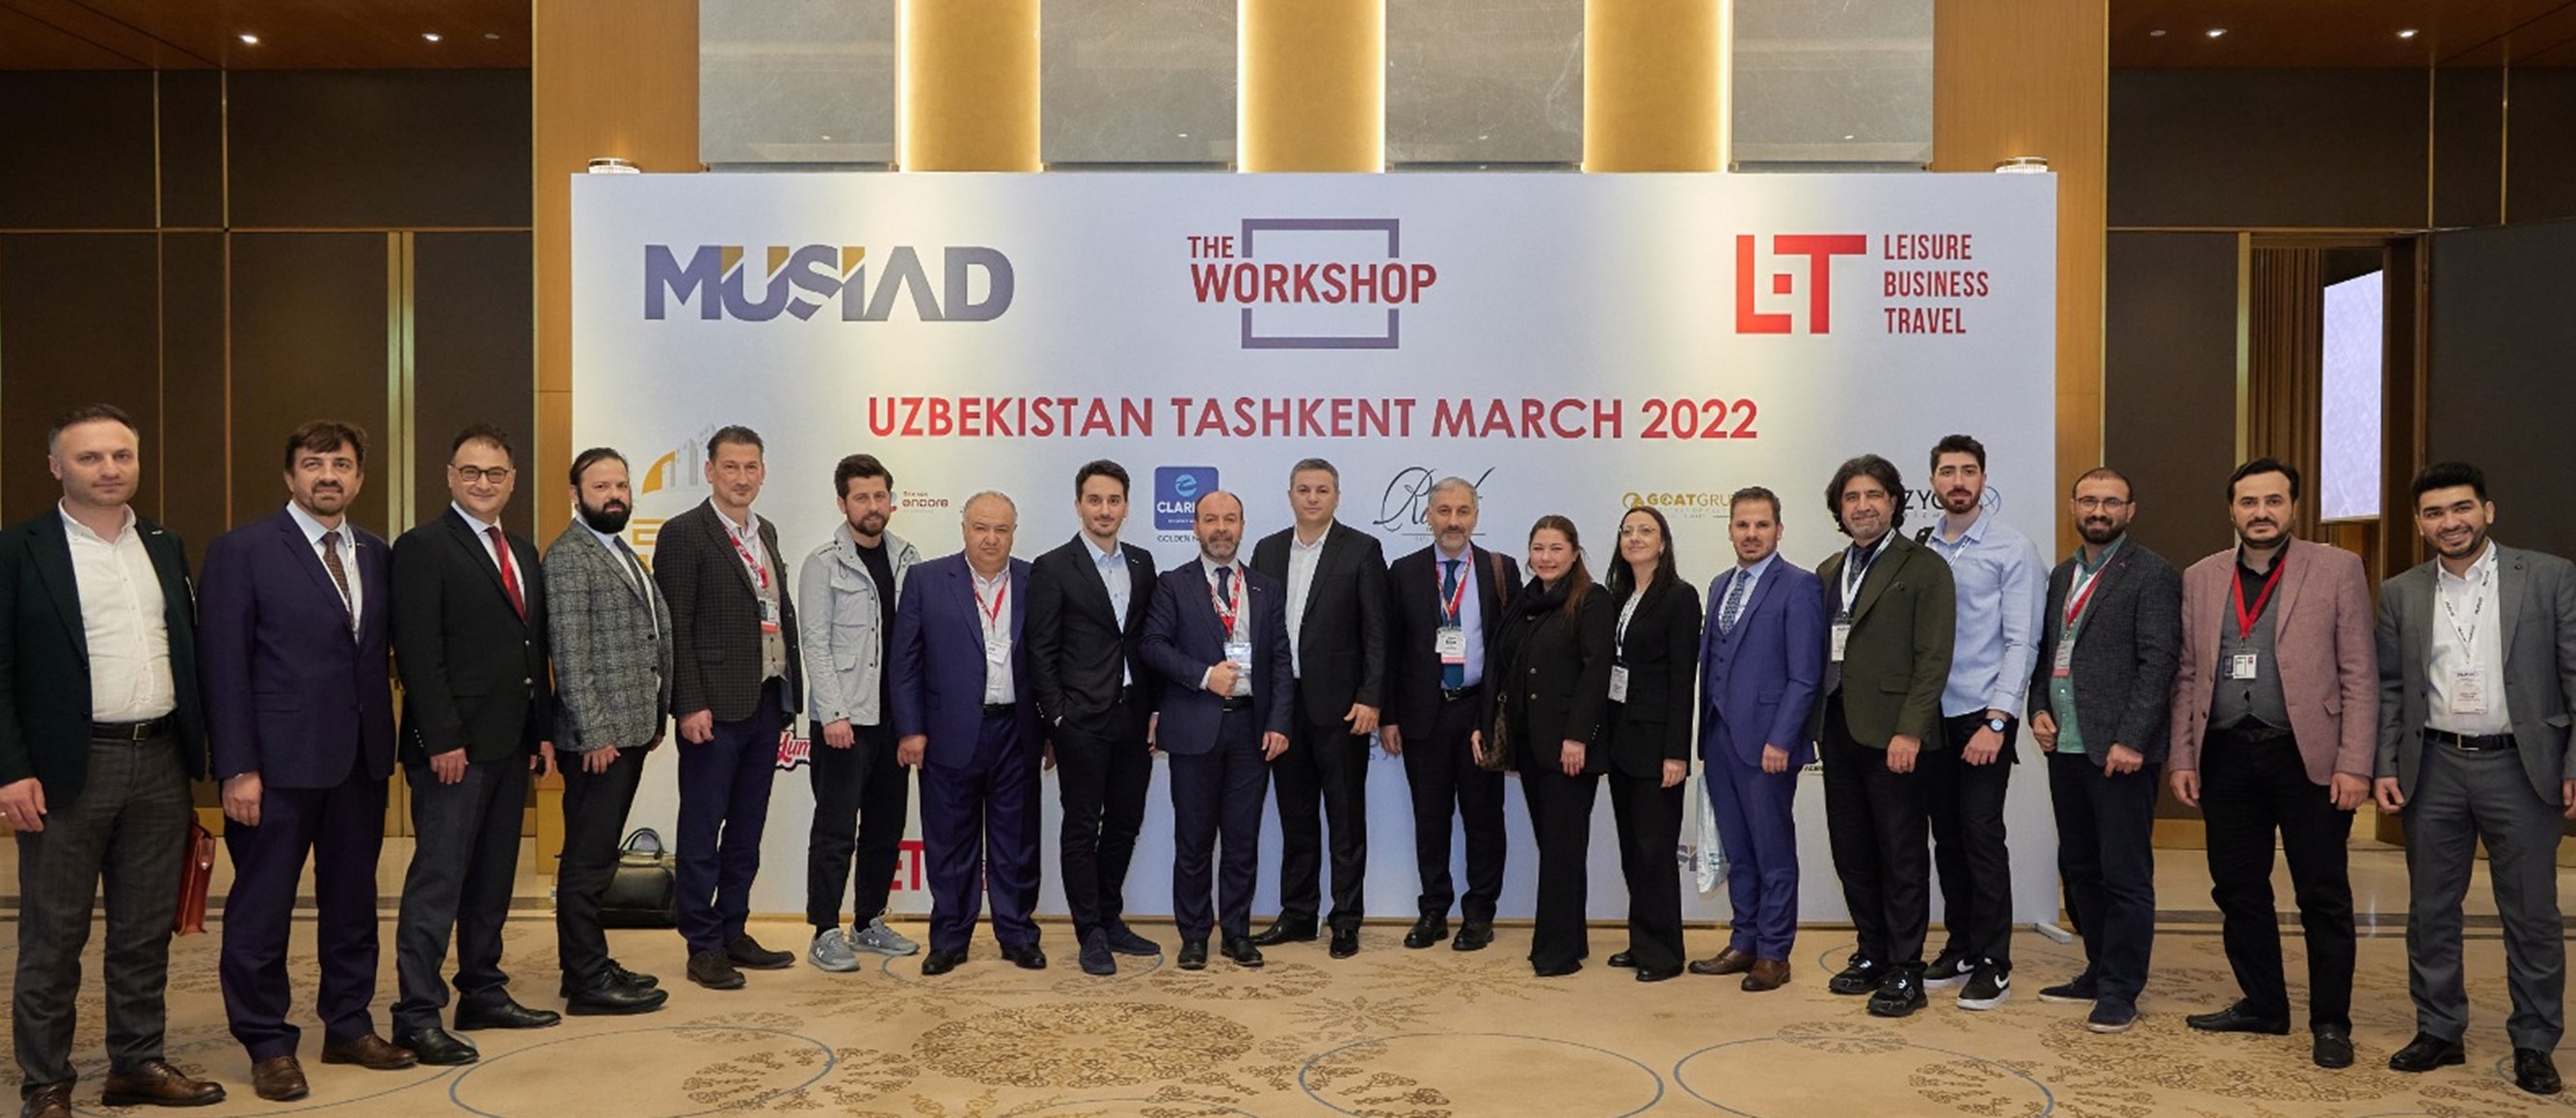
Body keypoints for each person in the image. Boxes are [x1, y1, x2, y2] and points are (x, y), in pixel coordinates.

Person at [2, 405, 226, 1118]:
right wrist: (9, 768)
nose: (109, 469)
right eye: (90, 457)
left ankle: (136, 1063)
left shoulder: (162, 543)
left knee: (144, 931)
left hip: (158, 761)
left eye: (121, 456)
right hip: (66, 771)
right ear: (56, 466)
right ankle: (46, 1083)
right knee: (53, 938)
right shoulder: (18, 550)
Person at [201, 420, 414, 1101]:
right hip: (274, 768)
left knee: (353, 904)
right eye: (315, 464)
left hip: (359, 762)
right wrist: (237, 767)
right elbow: (223, 667)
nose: (329, 475)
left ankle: (348, 1025)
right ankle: (266, 1042)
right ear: (290, 475)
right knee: (261, 912)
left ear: (359, 477)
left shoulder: (376, 553)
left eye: (342, 464)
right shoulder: (243, 551)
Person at [2374, 461, 2576, 1096]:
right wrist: (2384, 763)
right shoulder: (2400, 592)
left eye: (2461, 508)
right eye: (2434, 513)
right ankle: (2439, 1029)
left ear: (2487, 511)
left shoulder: (2548, 576)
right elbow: (2390, 688)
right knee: (2430, 909)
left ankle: (2534, 1041)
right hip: (2433, 766)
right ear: (2419, 524)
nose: (2449, 522)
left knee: (2532, 912)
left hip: (2522, 765)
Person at [2167, 457, 2374, 1070]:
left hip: (2308, 755)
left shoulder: (2338, 568)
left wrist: (2355, 762)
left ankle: (2331, 1021)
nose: (2261, 513)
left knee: (2323, 893)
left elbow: (2360, 673)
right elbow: (2187, 673)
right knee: (2237, 887)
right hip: (2225, 754)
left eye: (2273, 501)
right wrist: (2182, 755)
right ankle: (2263, 1003)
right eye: (2249, 502)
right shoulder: (2201, 576)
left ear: (2293, 508)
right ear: (2231, 510)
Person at [387, 424, 561, 1065]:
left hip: (511, 744)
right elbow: (418, 651)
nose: (482, 483)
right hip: (453, 750)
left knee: (492, 879)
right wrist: (442, 737)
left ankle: (482, 991)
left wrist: (542, 731)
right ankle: (416, 1013)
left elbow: (532, 650)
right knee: (438, 881)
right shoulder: (423, 547)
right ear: (450, 476)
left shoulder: (522, 550)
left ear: (512, 481)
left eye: (494, 473)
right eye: (470, 472)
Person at [2026, 467, 2180, 1035]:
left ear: (2130, 510)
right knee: (2079, 869)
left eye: (2111, 502)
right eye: (2089, 500)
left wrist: (2132, 739)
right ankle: (2097, 968)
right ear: (2073, 506)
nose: (2099, 510)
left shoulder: (2153, 574)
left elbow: (2158, 663)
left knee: (2124, 875)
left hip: (2120, 752)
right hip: (2066, 745)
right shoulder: (2061, 575)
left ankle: (2121, 988)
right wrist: (2037, 709)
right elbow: (2048, 653)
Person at [652, 425, 804, 990]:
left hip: (765, 701)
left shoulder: (767, 533)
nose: (742, 477)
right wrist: (688, 703)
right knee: (702, 828)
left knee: (746, 828)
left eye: (751, 467)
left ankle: (734, 927)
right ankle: (703, 943)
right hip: (712, 711)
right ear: (710, 471)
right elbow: (675, 627)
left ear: (762, 473)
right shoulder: (683, 533)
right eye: (731, 466)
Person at [1811, 453, 1956, 1019]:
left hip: (1896, 735)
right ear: (1839, 509)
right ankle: (1871, 951)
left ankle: (1905, 968)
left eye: (1873, 494)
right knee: (1851, 850)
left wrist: (1910, 731)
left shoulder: (1924, 567)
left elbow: (1933, 658)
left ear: (1894, 501)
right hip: (1838, 729)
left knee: (1901, 854)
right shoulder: (1828, 570)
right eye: (1852, 497)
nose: (1863, 506)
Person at [1917, 435, 2047, 1010]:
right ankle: (1962, 944)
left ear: (1984, 480)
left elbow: (2022, 641)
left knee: (1981, 836)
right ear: (1933, 483)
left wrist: (1998, 721)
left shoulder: (2011, 548)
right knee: (1947, 839)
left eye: (1968, 471)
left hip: (1982, 714)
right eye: (1947, 472)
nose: (1958, 481)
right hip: (1930, 717)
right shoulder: (1921, 549)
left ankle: (1994, 961)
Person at [891, 492, 1045, 975]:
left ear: (1014, 532)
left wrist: (1052, 729)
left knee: (1016, 843)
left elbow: (1051, 660)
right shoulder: (926, 580)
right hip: (948, 734)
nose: (990, 539)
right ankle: (949, 939)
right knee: (950, 843)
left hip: (1017, 731)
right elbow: (904, 663)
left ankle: (1017, 935)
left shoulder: (1035, 580)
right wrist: (910, 729)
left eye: (1001, 529)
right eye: (981, 527)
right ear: (964, 529)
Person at [543, 447, 672, 1016]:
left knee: (598, 859)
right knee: (587, 862)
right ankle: (586, 981)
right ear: (576, 495)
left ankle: (588, 963)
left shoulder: (617, 548)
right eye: (601, 487)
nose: (615, 494)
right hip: (599, 741)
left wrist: (654, 714)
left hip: (630, 730)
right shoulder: (570, 557)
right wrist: (595, 733)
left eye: (621, 484)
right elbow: (570, 656)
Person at [1140, 491, 1294, 971]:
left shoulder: (1266, 588)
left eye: (1229, 519)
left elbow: (1280, 660)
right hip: (1194, 728)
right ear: (1196, 527)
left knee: (1242, 841)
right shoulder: (1173, 584)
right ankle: (1193, 936)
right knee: (1193, 841)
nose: (1221, 528)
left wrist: (1279, 722)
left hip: (1251, 729)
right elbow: (1153, 645)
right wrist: (1206, 676)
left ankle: (1236, 934)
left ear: (1242, 526)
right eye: (1211, 519)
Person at [1248, 459, 1389, 959]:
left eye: (1322, 490)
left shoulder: (1362, 549)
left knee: (1346, 820)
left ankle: (1346, 920)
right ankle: (1299, 914)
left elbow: (1377, 632)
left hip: (1343, 709)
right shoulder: (1266, 549)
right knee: (1296, 817)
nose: (1312, 498)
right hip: (1283, 707)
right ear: (1290, 494)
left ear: (1336, 496)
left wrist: (1371, 696)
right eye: (1304, 489)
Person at [1027, 460, 1163, 975]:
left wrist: (1154, 709)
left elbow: (1148, 642)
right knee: (1082, 828)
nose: (1104, 510)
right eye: (1094, 500)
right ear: (1078, 505)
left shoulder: (1142, 563)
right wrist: (1057, 717)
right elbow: (1040, 649)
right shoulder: (1053, 566)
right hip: (1081, 720)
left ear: (1126, 507)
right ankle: (1090, 932)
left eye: (1113, 501)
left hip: (1133, 716)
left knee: (1125, 824)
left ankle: (1110, 918)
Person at [1689, 486, 1824, 993]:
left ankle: (1773, 953)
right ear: (1730, 530)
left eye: (1761, 525)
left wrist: (1782, 739)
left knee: (1773, 853)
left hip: (1768, 744)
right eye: (1742, 525)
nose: (1751, 534)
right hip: (1720, 738)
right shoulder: (1719, 584)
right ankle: (1743, 941)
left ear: (1779, 530)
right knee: (1739, 851)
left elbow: (1805, 675)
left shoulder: (1800, 586)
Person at [793, 454, 922, 972]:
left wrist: (914, 720)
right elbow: (814, 643)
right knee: (835, 831)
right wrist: (834, 714)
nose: (872, 506)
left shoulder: (908, 557)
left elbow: (915, 645)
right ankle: (824, 930)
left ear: (891, 500)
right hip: (844, 722)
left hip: (893, 721)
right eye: (861, 497)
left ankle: (868, 921)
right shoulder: (823, 563)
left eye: (879, 496)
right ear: (842, 503)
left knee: (886, 829)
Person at [1382, 478, 1517, 953]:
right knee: (1430, 820)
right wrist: (1389, 716)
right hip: (1424, 716)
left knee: (1484, 820)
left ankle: (1479, 914)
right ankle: (1434, 911)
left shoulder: (1501, 569)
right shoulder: (1403, 571)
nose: (1453, 521)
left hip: (1479, 713)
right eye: (1443, 511)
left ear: (1476, 516)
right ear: (1428, 516)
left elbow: (1512, 649)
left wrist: (1497, 715)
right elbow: (1390, 649)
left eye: (1462, 511)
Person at [1479, 515, 1613, 977]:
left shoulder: (1592, 600)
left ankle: (1555, 953)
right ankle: (1572, 937)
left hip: (1569, 750)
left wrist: (1578, 736)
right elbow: (1501, 666)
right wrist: (1484, 723)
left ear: (1575, 554)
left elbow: (1597, 672)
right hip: (1531, 746)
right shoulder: (1525, 600)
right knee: (1557, 848)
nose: (1546, 557)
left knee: (1561, 851)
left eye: (1556, 548)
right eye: (1538, 548)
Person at [1600, 506, 1702, 983]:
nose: (1635, 538)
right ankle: (1641, 941)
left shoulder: (1680, 597)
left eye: (1646, 531)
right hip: (1622, 741)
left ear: (1663, 543)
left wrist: (1676, 752)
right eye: (1628, 531)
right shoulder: (1620, 596)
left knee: (1655, 850)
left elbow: (1683, 680)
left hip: (1658, 745)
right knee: (1632, 850)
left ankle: (1663, 953)